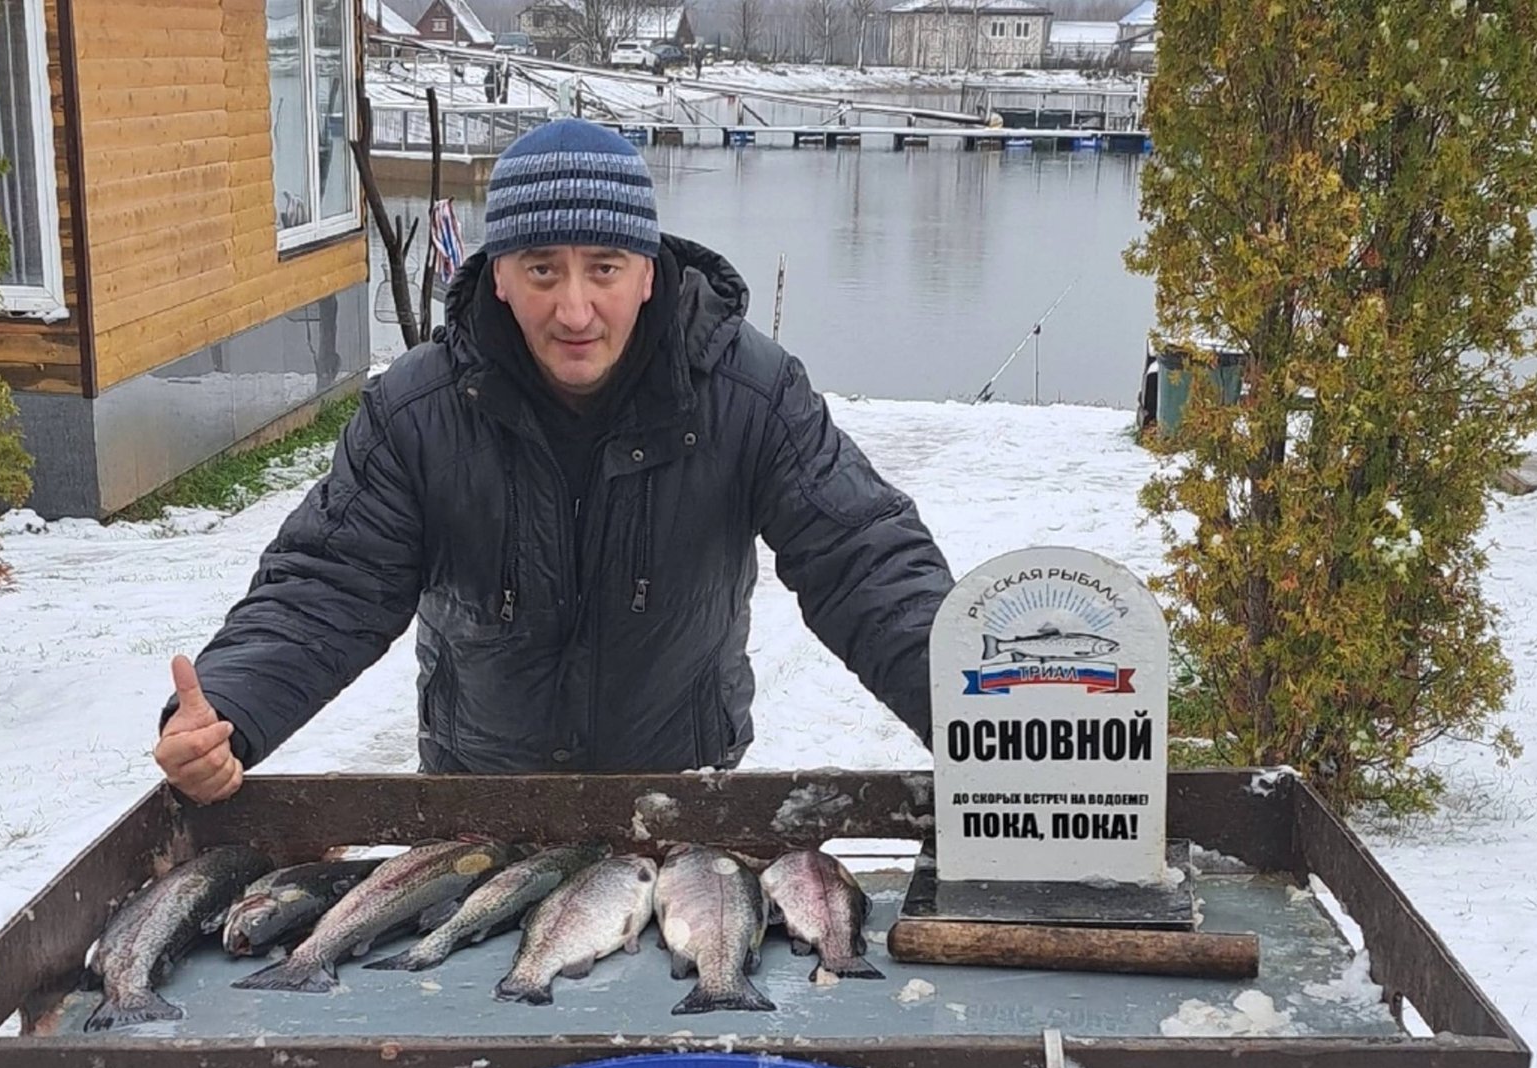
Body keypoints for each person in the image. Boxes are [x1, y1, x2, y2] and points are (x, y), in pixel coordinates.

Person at [153, 119, 953, 804]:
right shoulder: (415, 413)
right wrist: (227, 709)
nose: (575, 310)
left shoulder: (752, 393)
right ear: (499, 274)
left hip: (682, 788)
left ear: (649, 272)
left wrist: (981, 716)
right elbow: (328, 585)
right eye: (542, 269)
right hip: (480, 790)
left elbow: (863, 560)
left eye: (604, 267)